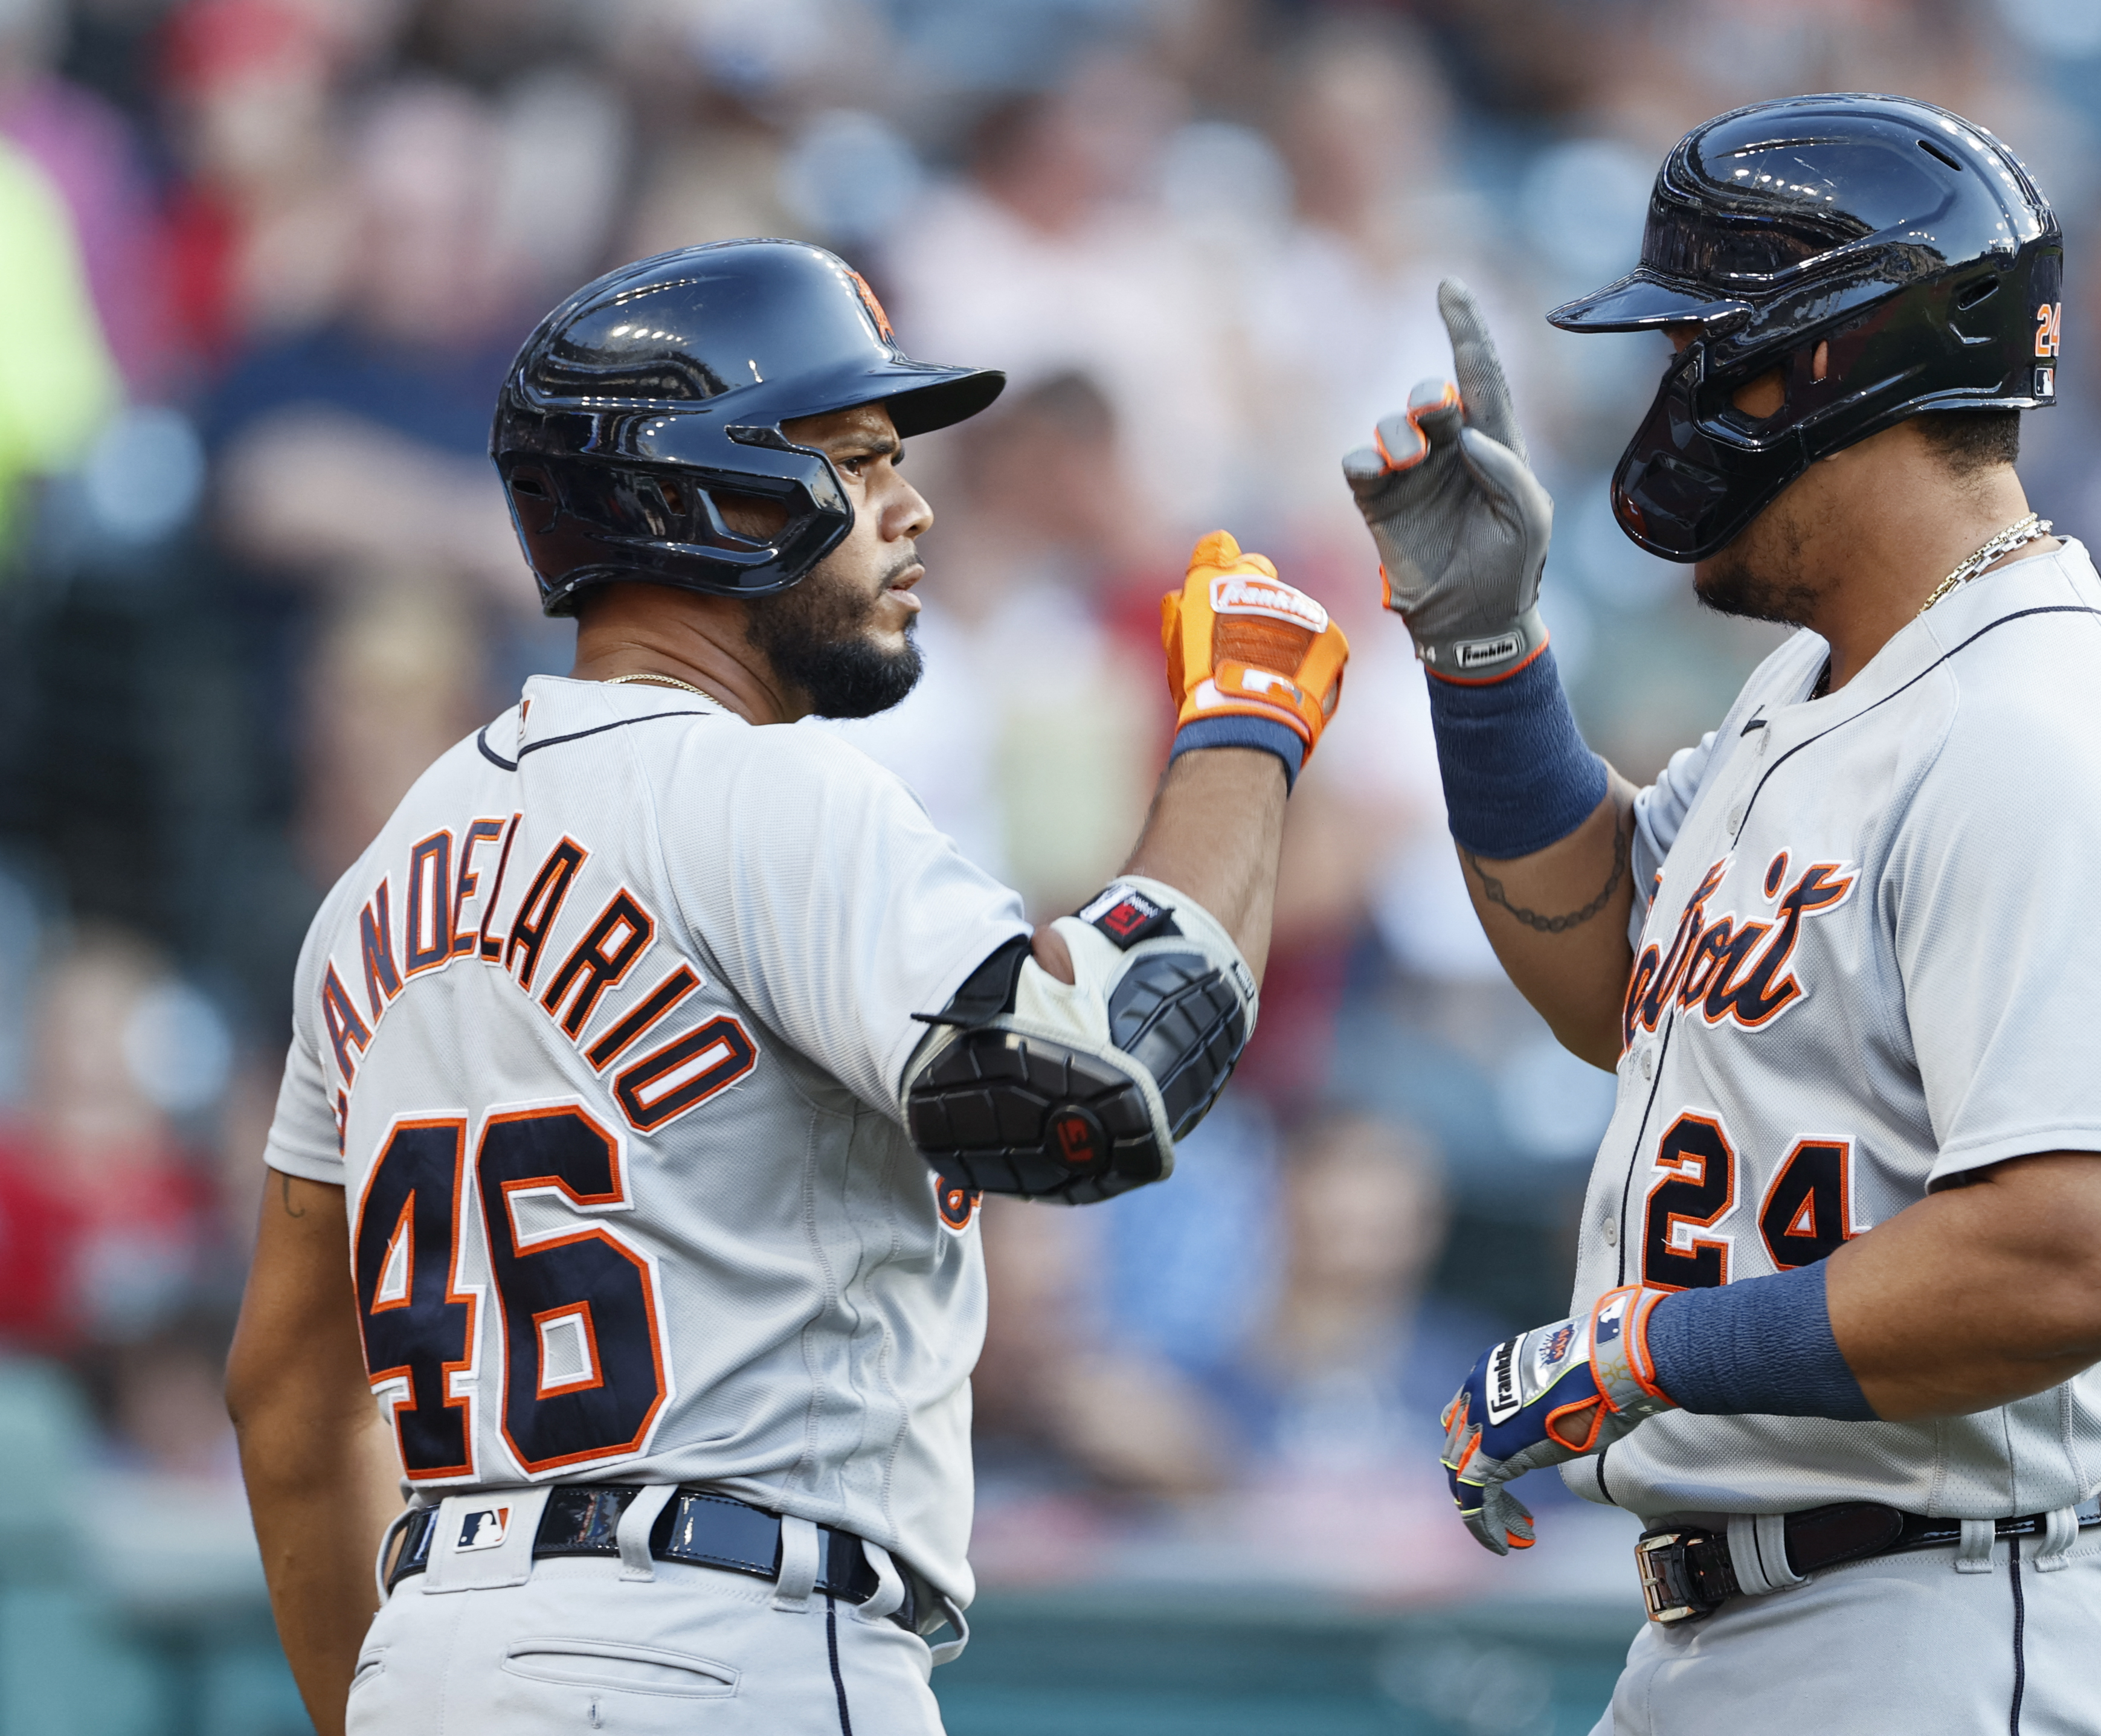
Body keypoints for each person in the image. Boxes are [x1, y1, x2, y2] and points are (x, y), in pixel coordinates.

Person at [225, 237, 1348, 1736]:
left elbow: (292, 1404)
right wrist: (1239, 730)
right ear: (703, 493)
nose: (910, 505)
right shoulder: (763, 791)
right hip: (726, 1639)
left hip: (435, 1645)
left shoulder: (379, 886)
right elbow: (1092, 1082)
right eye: (855, 458)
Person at [1344, 97, 2101, 1732]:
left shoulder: (2031, 729)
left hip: (1964, 1604)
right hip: (1798, 1609)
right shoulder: (1825, 689)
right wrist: (1486, 663)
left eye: (1702, 352)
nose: (1672, 398)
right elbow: (1610, 962)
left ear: (1826, 366)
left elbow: (2086, 1251)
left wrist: (1653, 1347)